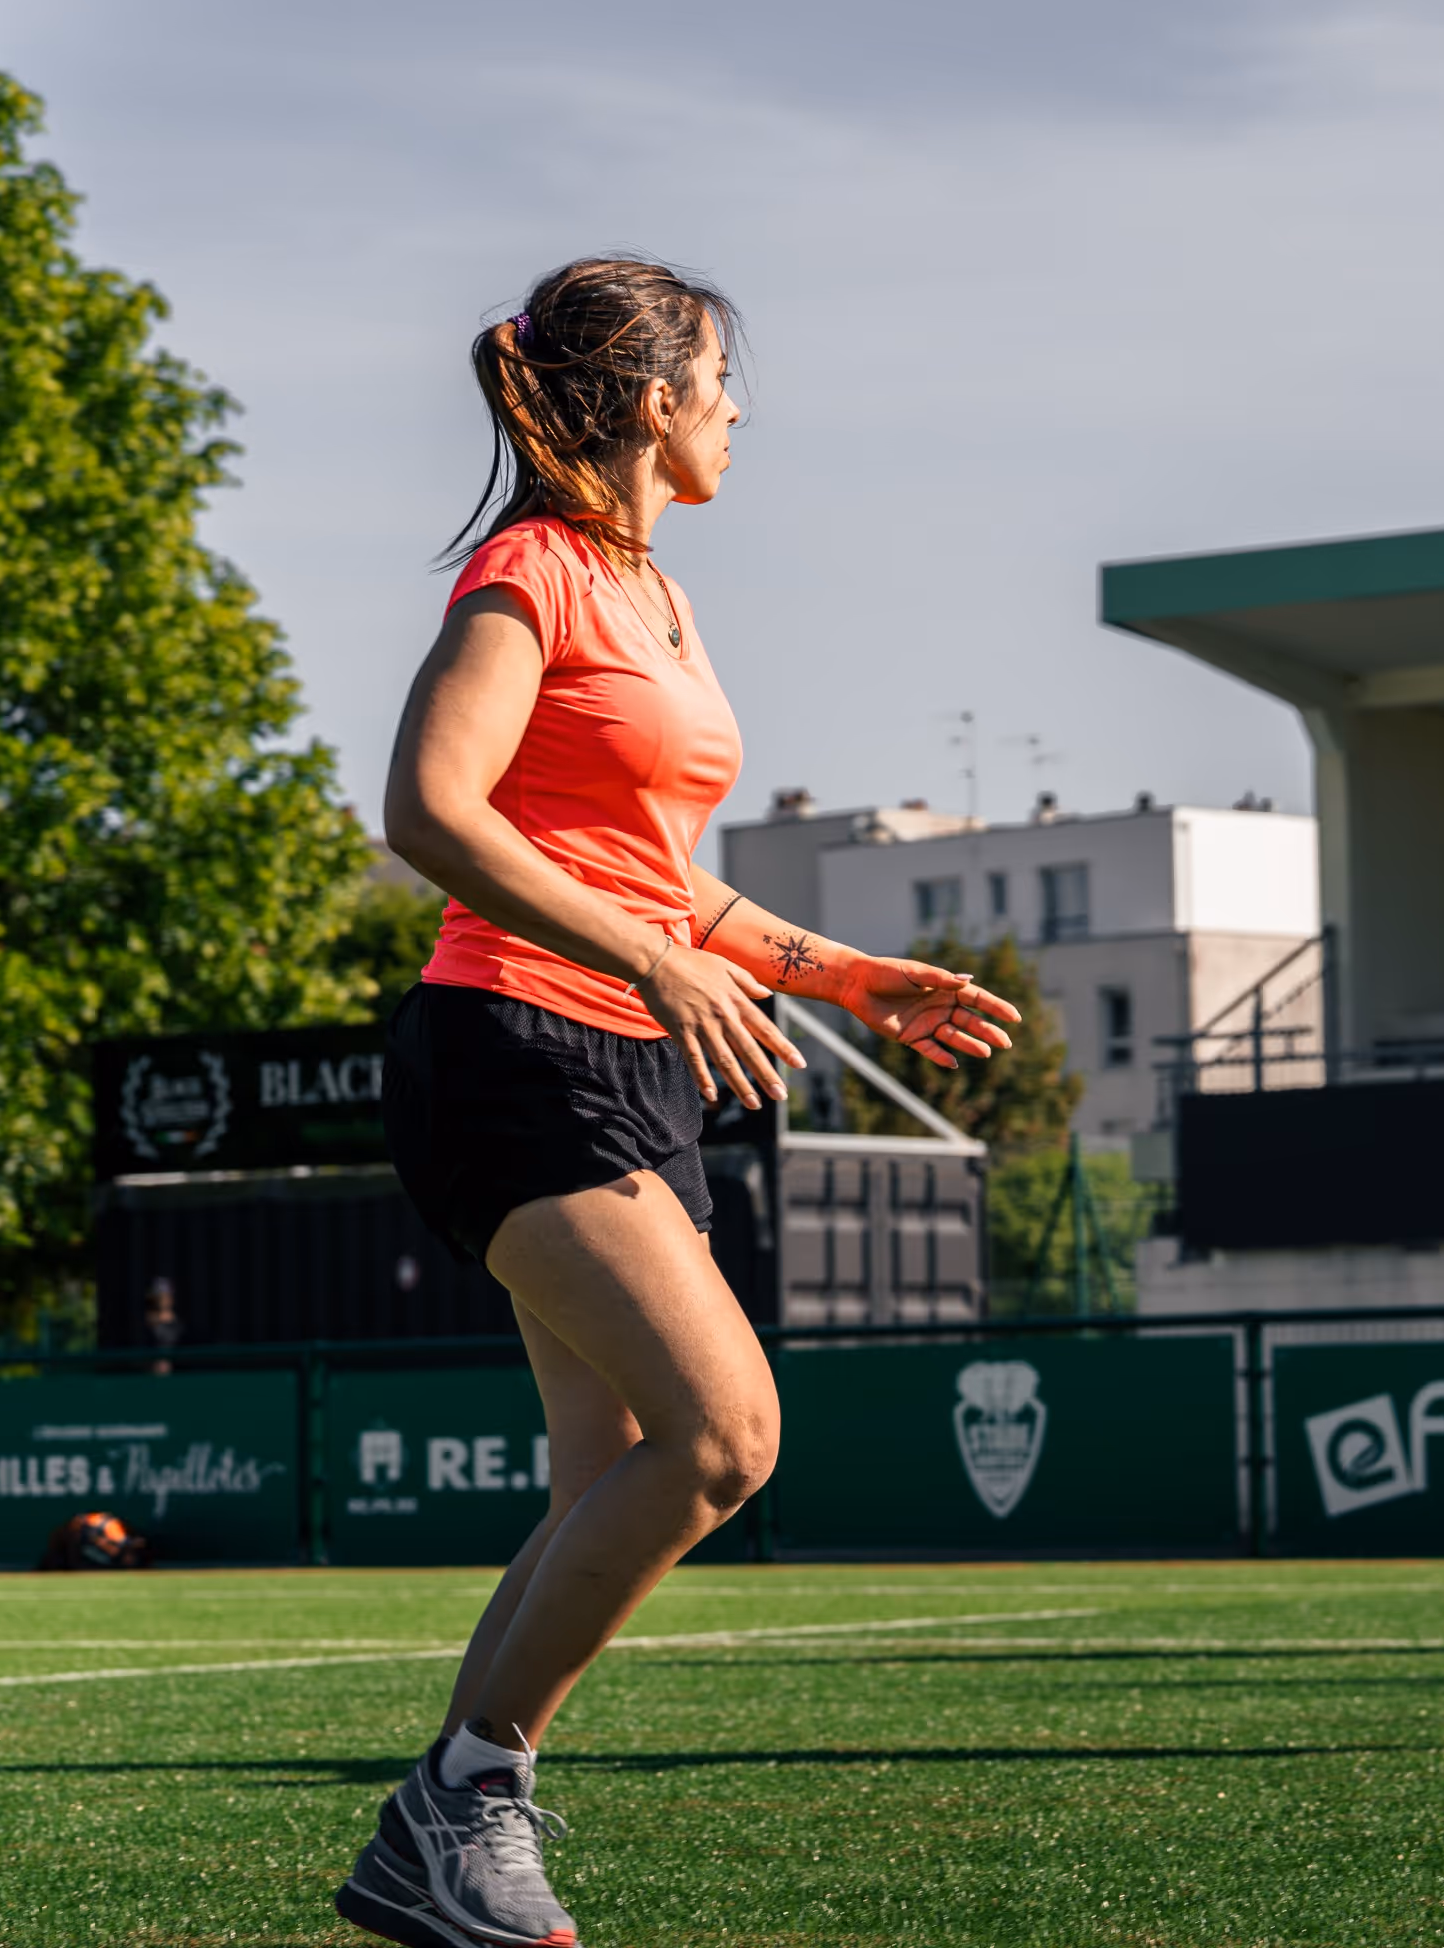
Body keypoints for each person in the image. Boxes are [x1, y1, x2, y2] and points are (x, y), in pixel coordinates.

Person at [339, 257, 1023, 1948]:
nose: (738, 409)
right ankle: (464, 1795)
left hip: (633, 1062)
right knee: (729, 1434)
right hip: (507, 1051)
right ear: (656, 400)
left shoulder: (657, 595)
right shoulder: (531, 576)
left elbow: (662, 883)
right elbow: (428, 809)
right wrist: (651, 969)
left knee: (617, 1468)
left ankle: (452, 1820)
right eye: (723, 379)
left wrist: (849, 976)